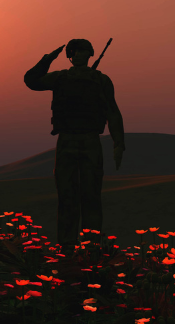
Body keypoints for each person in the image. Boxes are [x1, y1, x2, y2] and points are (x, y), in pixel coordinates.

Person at [23, 38, 125, 252]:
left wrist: (119, 143)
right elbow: (31, 80)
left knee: (91, 195)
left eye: (83, 51)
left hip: (90, 141)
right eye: (74, 51)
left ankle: (91, 246)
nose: (78, 55)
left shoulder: (101, 80)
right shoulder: (60, 78)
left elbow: (112, 112)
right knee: (67, 194)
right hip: (67, 140)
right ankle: (67, 245)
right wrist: (48, 58)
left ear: (90, 54)